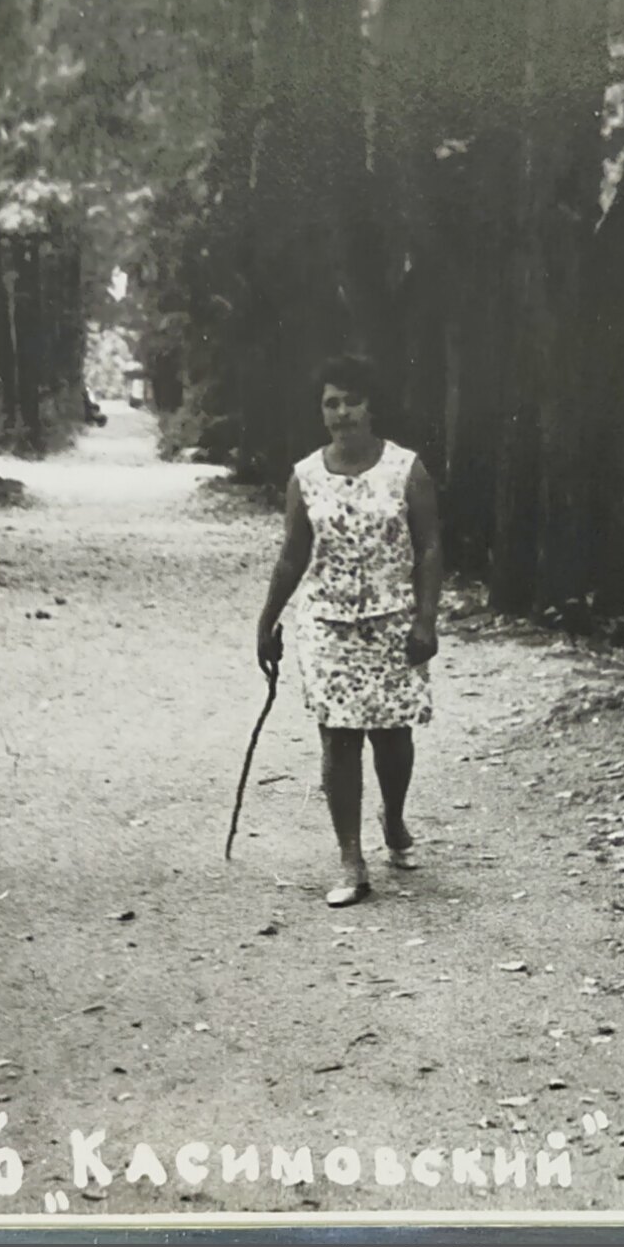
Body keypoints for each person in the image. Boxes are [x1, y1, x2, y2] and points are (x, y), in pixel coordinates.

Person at [255, 354, 441, 907]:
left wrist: (426, 619)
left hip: (392, 623)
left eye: (352, 401)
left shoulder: (407, 469)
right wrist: (267, 619)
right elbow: (293, 555)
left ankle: (394, 819)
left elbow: (430, 546)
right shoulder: (306, 476)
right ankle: (351, 859)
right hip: (327, 627)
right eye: (331, 403)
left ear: (372, 406)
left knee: (393, 737)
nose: (342, 413)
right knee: (338, 739)